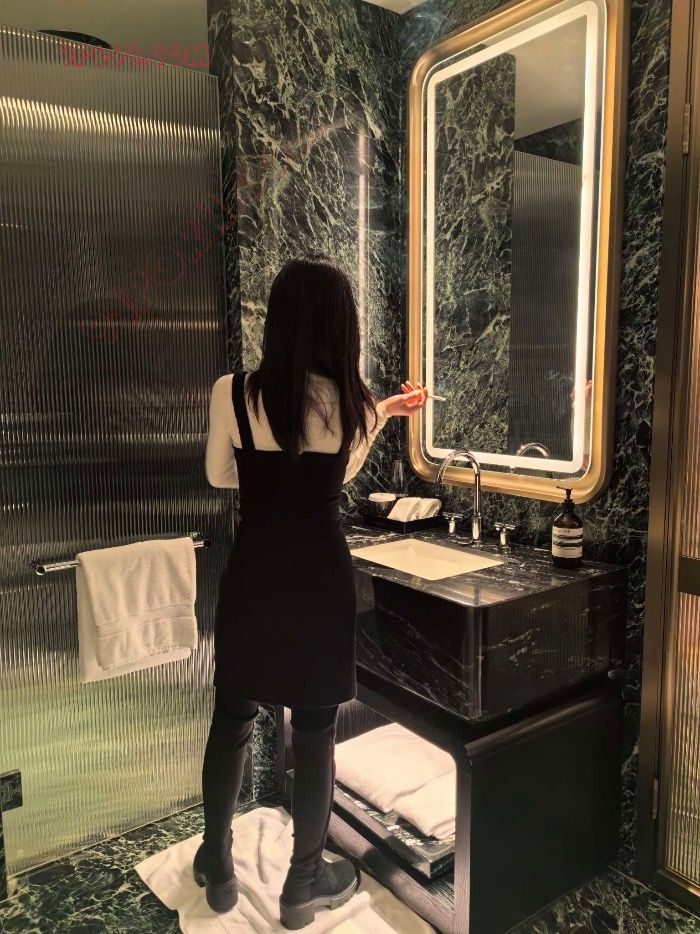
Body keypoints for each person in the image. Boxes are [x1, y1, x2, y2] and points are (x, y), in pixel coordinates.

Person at [198, 254, 428, 928]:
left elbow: (220, 476)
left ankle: (218, 865)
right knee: (318, 729)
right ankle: (302, 885)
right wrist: (383, 411)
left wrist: (265, 468)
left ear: (278, 320)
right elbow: (340, 471)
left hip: (255, 574)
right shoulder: (351, 404)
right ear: (340, 327)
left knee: (233, 718)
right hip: (320, 579)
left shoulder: (231, 392)